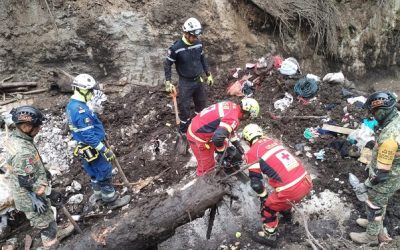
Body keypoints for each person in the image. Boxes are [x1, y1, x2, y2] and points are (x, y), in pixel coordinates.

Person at [6, 106, 73, 249]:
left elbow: (25, 168)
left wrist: (43, 170)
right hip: (30, 196)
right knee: (46, 222)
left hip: (28, 190)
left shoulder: (18, 137)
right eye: (37, 126)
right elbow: (26, 181)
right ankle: (51, 244)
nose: (39, 129)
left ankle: (55, 233)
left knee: (48, 218)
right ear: (25, 126)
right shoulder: (22, 152)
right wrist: (50, 192)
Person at [66, 74, 130, 209]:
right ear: (83, 90)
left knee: (93, 172)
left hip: (83, 147)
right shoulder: (81, 110)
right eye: (90, 91)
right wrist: (104, 149)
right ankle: (111, 200)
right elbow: (89, 136)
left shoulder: (72, 105)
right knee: (104, 170)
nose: (92, 94)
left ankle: (98, 195)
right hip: (93, 148)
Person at [242, 123, 312, 243]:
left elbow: (256, 183)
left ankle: (270, 235)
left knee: (267, 209)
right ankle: (287, 216)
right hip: (306, 180)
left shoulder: (253, 152)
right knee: (281, 197)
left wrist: (264, 197)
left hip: (291, 190)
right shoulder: (274, 142)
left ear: (247, 139)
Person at [350, 90, 400, 245]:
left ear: (383, 111)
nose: (373, 116)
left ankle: (371, 236)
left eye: (375, 112)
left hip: (387, 179)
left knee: (374, 205)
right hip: (395, 174)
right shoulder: (396, 119)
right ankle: (375, 225)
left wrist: (366, 184)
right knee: (379, 202)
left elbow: (382, 174)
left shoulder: (389, 138)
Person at [164, 17, 213, 136]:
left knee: (201, 104)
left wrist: (208, 74)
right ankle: (183, 130)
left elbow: (202, 59)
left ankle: (198, 125)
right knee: (184, 108)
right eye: (193, 36)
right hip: (185, 83)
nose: (196, 38)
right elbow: (167, 64)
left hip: (198, 80)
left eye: (197, 36)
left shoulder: (198, 44)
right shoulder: (176, 48)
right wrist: (168, 81)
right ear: (186, 33)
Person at [187, 98, 259, 176]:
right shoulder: (233, 119)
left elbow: (227, 129)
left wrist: (237, 145)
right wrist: (222, 151)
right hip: (197, 137)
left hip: (202, 126)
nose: (246, 119)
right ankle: (203, 182)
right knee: (207, 167)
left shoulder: (231, 105)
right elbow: (217, 138)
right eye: (248, 116)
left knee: (228, 149)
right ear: (246, 113)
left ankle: (224, 163)